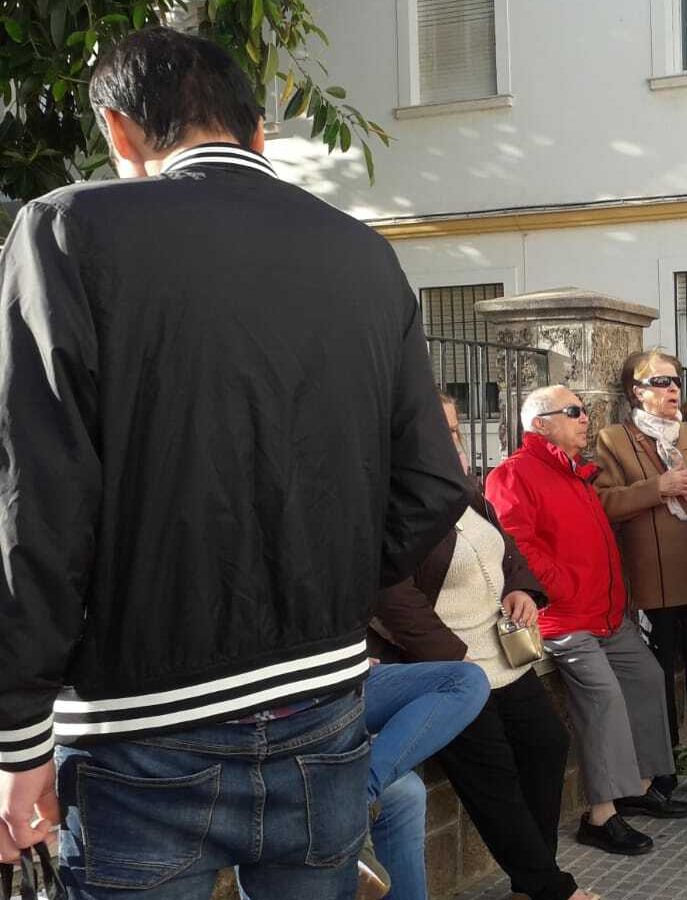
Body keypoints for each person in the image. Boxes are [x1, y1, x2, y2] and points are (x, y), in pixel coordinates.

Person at [0, 28, 473, 891]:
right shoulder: (364, 254)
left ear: (117, 130)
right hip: (322, 704)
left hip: (139, 724)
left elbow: (38, 499)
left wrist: (17, 734)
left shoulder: (69, 228)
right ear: (258, 130)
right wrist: (324, 584)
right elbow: (435, 481)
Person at [371, 442, 597, 897]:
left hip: (501, 651)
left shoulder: (464, 493)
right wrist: (450, 655)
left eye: (454, 429)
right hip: (444, 666)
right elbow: (390, 596)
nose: (451, 441)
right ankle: (548, 886)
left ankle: (533, 874)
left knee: (547, 745)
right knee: (492, 779)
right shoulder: (387, 509)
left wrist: (522, 590)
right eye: (440, 430)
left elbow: (506, 550)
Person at [486, 385, 687, 857]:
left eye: (584, 410)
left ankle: (637, 786)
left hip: (602, 613)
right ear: (540, 424)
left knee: (647, 676)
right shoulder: (514, 474)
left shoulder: (575, 472)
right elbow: (517, 547)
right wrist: (563, 588)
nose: (585, 418)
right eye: (574, 411)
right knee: (603, 698)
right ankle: (601, 815)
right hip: (562, 618)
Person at [594, 351, 687, 808]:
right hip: (653, 579)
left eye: (676, 380)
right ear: (636, 391)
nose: (672, 389)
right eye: (659, 382)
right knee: (658, 678)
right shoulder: (614, 439)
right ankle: (665, 764)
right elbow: (604, 502)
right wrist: (658, 489)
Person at [363, 662, 493, 900]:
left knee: (470, 681)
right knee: (406, 792)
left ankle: (358, 797)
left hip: (348, 675)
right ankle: (358, 798)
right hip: (295, 696)